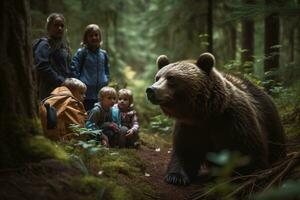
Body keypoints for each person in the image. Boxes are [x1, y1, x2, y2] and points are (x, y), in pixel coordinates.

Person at [70, 24, 110, 111]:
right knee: (86, 116)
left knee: (99, 117)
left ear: (100, 37)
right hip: (85, 95)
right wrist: (79, 84)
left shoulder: (103, 54)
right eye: (91, 35)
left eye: (96, 35)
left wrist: (106, 80)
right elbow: (74, 68)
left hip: (101, 94)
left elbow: (107, 70)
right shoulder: (82, 53)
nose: (94, 37)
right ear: (86, 38)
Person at [33, 13, 73, 100]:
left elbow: (69, 67)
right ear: (49, 27)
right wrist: (61, 81)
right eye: (56, 25)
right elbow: (42, 66)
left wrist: (70, 82)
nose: (59, 28)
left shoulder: (64, 46)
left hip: (64, 90)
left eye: (62, 26)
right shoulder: (44, 45)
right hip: (48, 91)